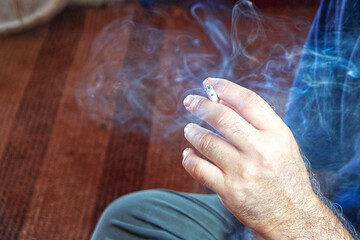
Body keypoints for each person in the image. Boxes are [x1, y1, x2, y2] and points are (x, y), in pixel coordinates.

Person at [90, 0, 360, 239]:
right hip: (327, 209)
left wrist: (289, 216)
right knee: (127, 220)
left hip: (313, 227)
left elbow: (296, 216)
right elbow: (317, 145)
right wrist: (266, 178)